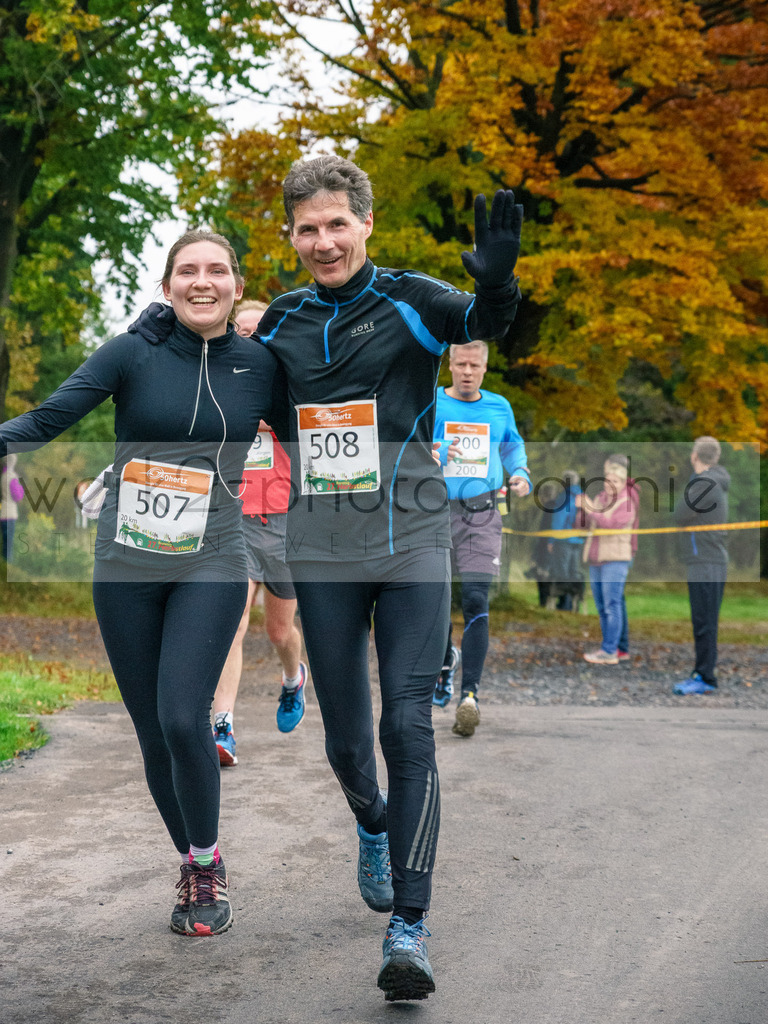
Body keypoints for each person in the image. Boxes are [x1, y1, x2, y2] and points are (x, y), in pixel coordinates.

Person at [132, 155, 524, 1001]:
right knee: (349, 745)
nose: (323, 241)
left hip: (413, 540)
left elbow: (497, 331)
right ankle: (373, 826)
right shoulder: (281, 328)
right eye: (307, 228)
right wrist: (153, 333)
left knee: (407, 731)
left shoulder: (413, 302)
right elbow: (215, 375)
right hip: (323, 553)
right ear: (292, 235)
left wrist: (499, 291)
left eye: (337, 223)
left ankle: (409, 929)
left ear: (365, 224)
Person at [0, 231, 282, 938]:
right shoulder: (132, 352)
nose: (202, 281)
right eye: (187, 270)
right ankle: (190, 861)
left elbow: (323, 425)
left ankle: (209, 863)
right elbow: (44, 420)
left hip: (213, 555)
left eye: (217, 270)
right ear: (166, 287)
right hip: (126, 560)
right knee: (154, 731)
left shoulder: (260, 364)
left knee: (185, 717)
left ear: (237, 287)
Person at [212, 300, 307, 767]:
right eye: (242, 331)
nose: (250, 338)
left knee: (278, 629)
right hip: (235, 521)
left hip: (287, 522)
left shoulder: (289, 382)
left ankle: (293, 678)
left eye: (258, 331)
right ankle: (223, 727)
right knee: (232, 625)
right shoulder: (219, 382)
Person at [432, 341, 530, 736]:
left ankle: (469, 695)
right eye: (461, 364)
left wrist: (520, 472)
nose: (468, 371)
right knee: (432, 598)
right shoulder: (433, 403)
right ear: (450, 366)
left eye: (475, 365)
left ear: (485, 369)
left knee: (475, 597)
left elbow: (513, 446)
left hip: (482, 510)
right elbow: (412, 446)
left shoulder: (499, 406)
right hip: (434, 509)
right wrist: (435, 450)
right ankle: (443, 663)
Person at [672, 436, 730, 695]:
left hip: (707, 561)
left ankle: (705, 677)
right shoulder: (711, 480)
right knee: (703, 620)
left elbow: (680, 513)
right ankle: (702, 672)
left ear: (695, 455)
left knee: (705, 621)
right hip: (704, 560)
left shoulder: (705, 482)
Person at [577, 454, 639, 665]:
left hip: (616, 560)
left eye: (615, 481)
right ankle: (609, 647)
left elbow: (610, 524)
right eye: (608, 480)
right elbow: (586, 525)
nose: (610, 484)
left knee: (613, 604)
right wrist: (581, 510)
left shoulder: (626, 502)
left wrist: (590, 509)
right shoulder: (600, 499)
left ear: (623, 483)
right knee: (602, 606)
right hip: (596, 559)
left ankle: (611, 651)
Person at [546, 470, 586, 612]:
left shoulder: (564, 497)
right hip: (578, 540)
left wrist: (551, 540)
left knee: (562, 573)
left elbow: (558, 520)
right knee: (574, 572)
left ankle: (564, 606)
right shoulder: (582, 496)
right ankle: (576, 605)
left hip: (563, 540)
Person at [1, 454, 24, 562]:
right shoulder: (12, 476)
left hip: (2, 512)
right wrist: (21, 488)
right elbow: (18, 496)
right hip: (10, 513)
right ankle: (7, 566)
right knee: (9, 544)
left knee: (4, 543)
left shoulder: (3, 475)